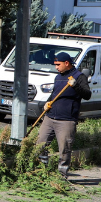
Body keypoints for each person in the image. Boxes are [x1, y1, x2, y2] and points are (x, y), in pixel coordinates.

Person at [36, 51, 92, 179]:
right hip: (50, 117)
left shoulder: (79, 77)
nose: (56, 67)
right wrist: (47, 102)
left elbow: (87, 95)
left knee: (64, 149)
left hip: (66, 120)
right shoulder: (58, 77)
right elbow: (55, 95)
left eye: (58, 64)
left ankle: (61, 176)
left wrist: (75, 86)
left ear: (67, 63)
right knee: (40, 144)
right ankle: (41, 171)